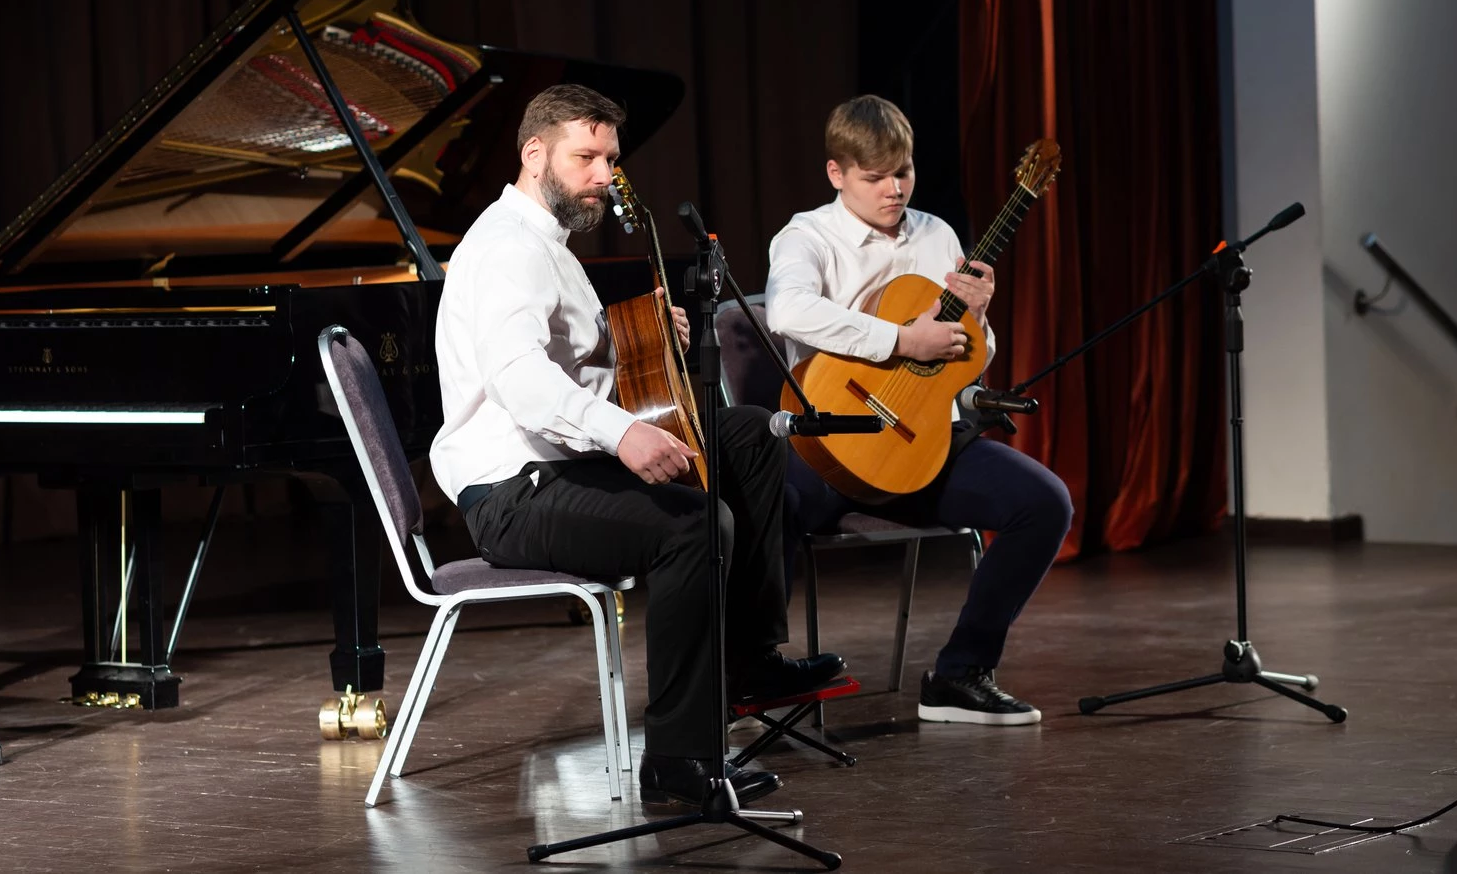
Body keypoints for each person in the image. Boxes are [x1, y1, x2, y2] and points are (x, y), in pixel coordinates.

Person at [429, 83, 843, 807]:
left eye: (611, 160)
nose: (603, 175)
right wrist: (623, 432)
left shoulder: (547, 245)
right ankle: (678, 761)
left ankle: (748, 661)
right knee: (695, 527)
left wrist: (641, 340)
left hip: (561, 470)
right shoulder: (506, 248)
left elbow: (571, 364)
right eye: (585, 158)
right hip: (512, 493)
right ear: (535, 154)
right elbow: (521, 379)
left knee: (747, 433)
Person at [765, 94, 1072, 726]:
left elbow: (966, 359)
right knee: (764, 506)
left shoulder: (937, 235)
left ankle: (961, 672)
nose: (894, 190)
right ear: (836, 173)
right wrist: (902, 339)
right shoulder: (806, 236)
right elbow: (787, 311)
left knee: (1045, 503)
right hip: (830, 443)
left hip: (919, 442)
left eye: (903, 172)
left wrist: (978, 317)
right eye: (875, 177)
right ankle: (750, 679)